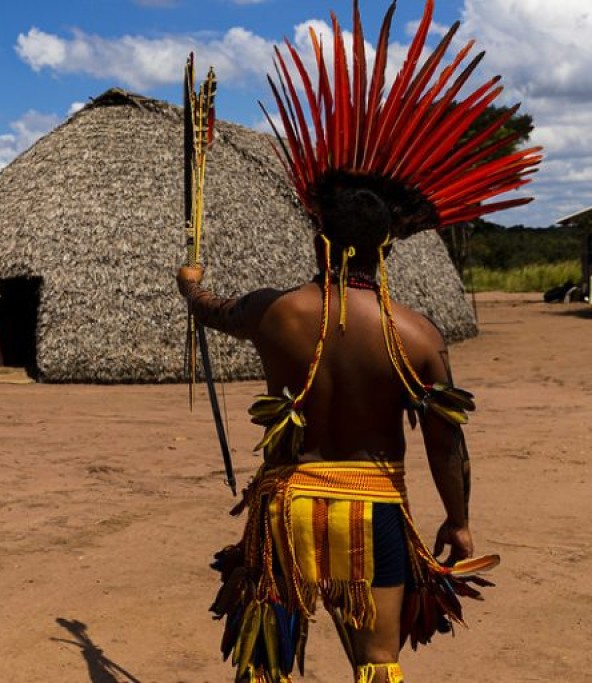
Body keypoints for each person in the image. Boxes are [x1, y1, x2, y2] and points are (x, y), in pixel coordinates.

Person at [177, 2, 541, 682]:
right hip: (374, 510)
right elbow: (445, 443)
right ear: (388, 244)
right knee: (377, 664)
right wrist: (459, 520)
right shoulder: (417, 335)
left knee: (265, 668)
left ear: (320, 235)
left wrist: (189, 284)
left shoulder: (274, 312)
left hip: (288, 507)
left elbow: (209, 308)